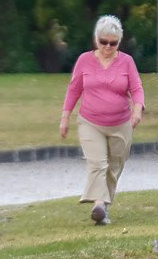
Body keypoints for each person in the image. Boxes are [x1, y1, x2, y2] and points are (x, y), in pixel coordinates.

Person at [59, 15, 144, 224]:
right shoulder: (84, 60)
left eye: (113, 43)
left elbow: (136, 89)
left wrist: (137, 109)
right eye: (103, 42)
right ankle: (98, 204)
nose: (107, 46)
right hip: (90, 122)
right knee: (97, 163)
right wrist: (65, 117)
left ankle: (103, 207)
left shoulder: (126, 62)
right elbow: (74, 89)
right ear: (96, 39)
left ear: (119, 42)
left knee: (114, 166)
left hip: (121, 123)